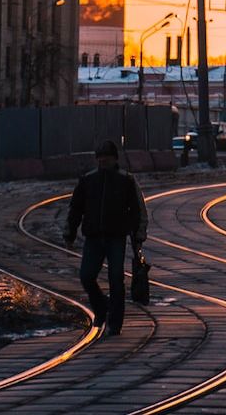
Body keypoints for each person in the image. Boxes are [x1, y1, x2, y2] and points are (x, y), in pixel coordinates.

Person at [64, 140, 148, 338]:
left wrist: (138, 235)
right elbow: (76, 208)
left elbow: (137, 210)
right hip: (93, 237)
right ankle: (101, 308)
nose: (103, 162)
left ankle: (115, 324)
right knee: (86, 276)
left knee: (116, 280)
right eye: (100, 158)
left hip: (116, 238)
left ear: (114, 159)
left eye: (107, 158)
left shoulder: (126, 180)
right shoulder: (87, 180)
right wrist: (70, 233)